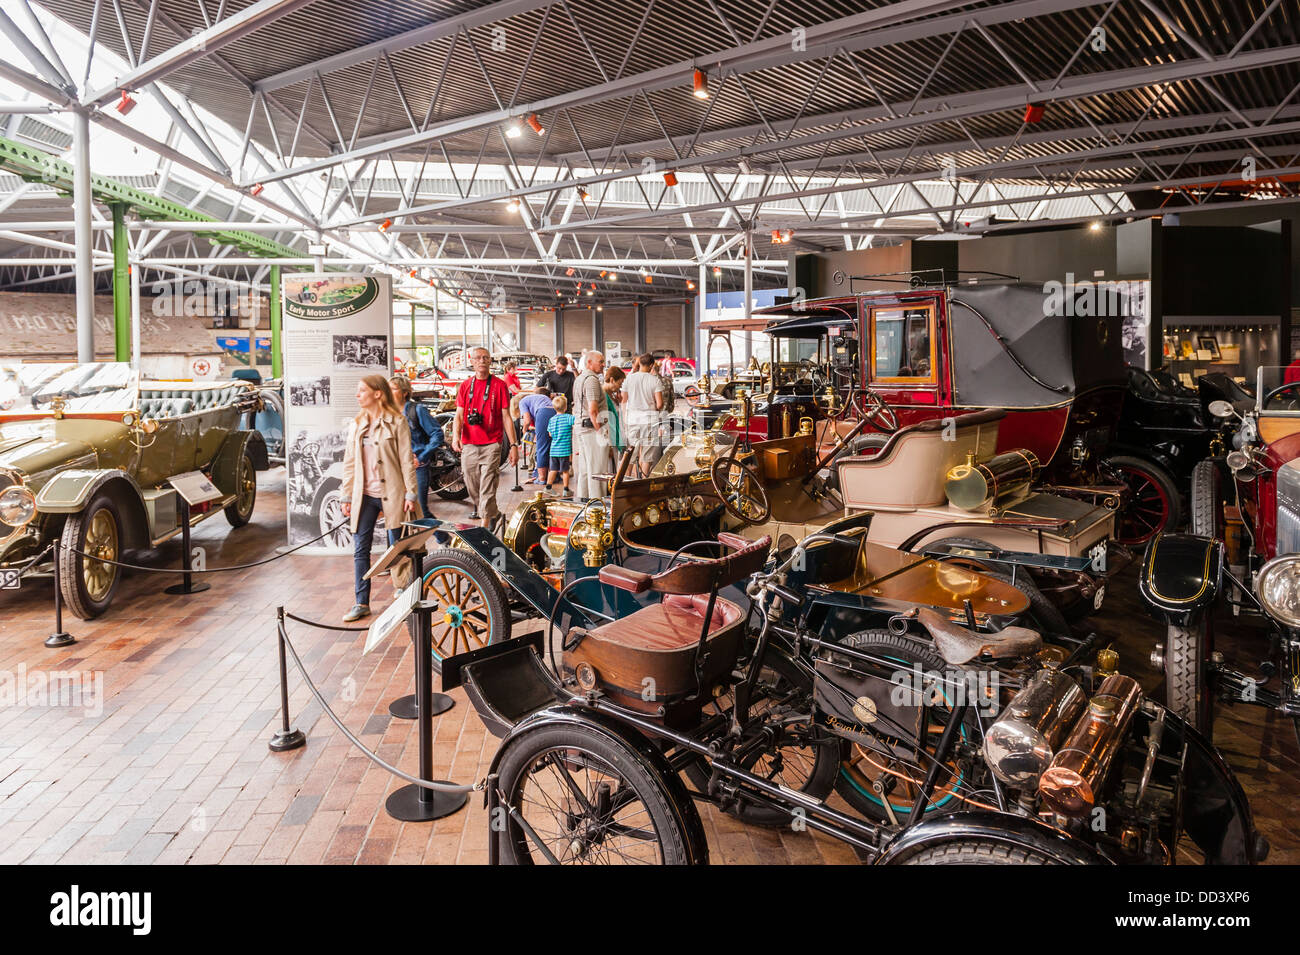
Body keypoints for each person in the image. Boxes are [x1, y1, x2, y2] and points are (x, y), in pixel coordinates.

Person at [339, 375, 418, 623]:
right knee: (360, 548)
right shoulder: (357, 424)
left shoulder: (397, 422)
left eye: (362, 390)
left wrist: (411, 493)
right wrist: (346, 495)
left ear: (377, 394)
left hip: (393, 493)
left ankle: (405, 591)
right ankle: (361, 602)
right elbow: (350, 463)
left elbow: (406, 460)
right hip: (364, 496)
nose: (357, 395)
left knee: (399, 547)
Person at [451, 346, 519, 528]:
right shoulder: (465, 386)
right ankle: (493, 513)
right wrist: (455, 436)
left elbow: (506, 416)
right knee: (471, 484)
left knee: (488, 485)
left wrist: (513, 445)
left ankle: (485, 526)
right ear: (472, 362)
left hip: (492, 444)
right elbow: (458, 415)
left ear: (490, 361)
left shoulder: (499, 385)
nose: (482, 360)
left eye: (485, 358)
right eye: (478, 358)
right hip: (469, 443)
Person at [389, 375, 443, 520]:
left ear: (404, 392)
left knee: (420, 509)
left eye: (393, 389)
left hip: (417, 467)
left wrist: (422, 455)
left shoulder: (417, 410)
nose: (389, 392)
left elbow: (437, 434)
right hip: (396, 468)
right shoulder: (389, 413)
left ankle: (442, 538)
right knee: (399, 510)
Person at [572, 349, 608, 500]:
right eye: (600, 361)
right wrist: (600, 432)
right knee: (597, 471)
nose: (603, 364)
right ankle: (597, 504)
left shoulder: (580, 378)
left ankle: (584, 501)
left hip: (582, 428)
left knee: (586, 470)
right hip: (591, 429)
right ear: (589, 362)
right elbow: (593, 410)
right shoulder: (592, 380)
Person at [625, 353, 666, 476]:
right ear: (652, 365)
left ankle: (625, 481)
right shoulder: (655, 380)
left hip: (632, 419)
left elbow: (624, 398)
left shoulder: (629, 378)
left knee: (631, 453)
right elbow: (659, 404)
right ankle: (642, 481)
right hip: (650, 420)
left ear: (640, 363)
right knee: (647, 455)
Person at [519, 387, 555, 486]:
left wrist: (524, 430)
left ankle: (542, 478)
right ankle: (553, 476)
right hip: (554, 411)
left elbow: (526, 420)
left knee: (541, 447)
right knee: (552, 446)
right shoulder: (538, 398)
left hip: (543, 413)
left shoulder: (522, 402)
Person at [546, 395, 573, 497]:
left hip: (553, 450)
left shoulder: (551, 420)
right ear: (566, 407)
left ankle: (548, 487)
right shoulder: (569, 418)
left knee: (553, 470)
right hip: (564, 450)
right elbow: (577, 422)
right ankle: (566, 490)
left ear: (554, 407)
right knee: (565, 471)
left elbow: (550, 434)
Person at [603, 365, 627, 470]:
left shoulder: (611, 395)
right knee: (609, 470)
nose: (619, 387)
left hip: (615, 438)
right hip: (610, 439)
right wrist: (608, 445)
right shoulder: (603, 396)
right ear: (612, 380)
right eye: (619, 383)